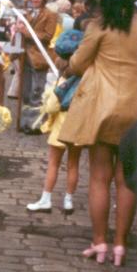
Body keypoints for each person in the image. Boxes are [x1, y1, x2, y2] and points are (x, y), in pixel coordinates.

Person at [58, 0, 137, 267]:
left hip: (102, 109)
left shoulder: (100, 26)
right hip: (135, 111)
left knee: (100, 178)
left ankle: (100, 241)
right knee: (127, 182)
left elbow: (77, 64)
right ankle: (120, 245)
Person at [27, 29, 84, 215]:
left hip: (60, 127)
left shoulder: (62, 82)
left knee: (53, 163)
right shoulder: (85, 80)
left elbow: (51, 107)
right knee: (73, 164)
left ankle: (46, 198)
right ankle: (68, 199)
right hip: (77, 126)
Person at [17, 0, 58, 133]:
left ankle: (35, 125)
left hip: (40, 57)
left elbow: (47, 36)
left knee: (37, 91)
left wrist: (25, 32)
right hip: (25, 56)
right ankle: (25, 122)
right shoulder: (26, 13)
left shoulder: (50, 14)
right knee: (26, 92)